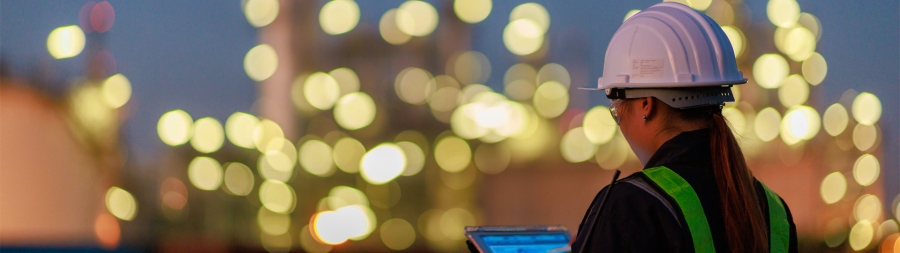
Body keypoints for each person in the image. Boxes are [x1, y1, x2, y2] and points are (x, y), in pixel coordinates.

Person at [572, 2, 798, 253]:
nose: (618, 117)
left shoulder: (631, 208)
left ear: (646, 105)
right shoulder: (774, 211)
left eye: (615, 106)